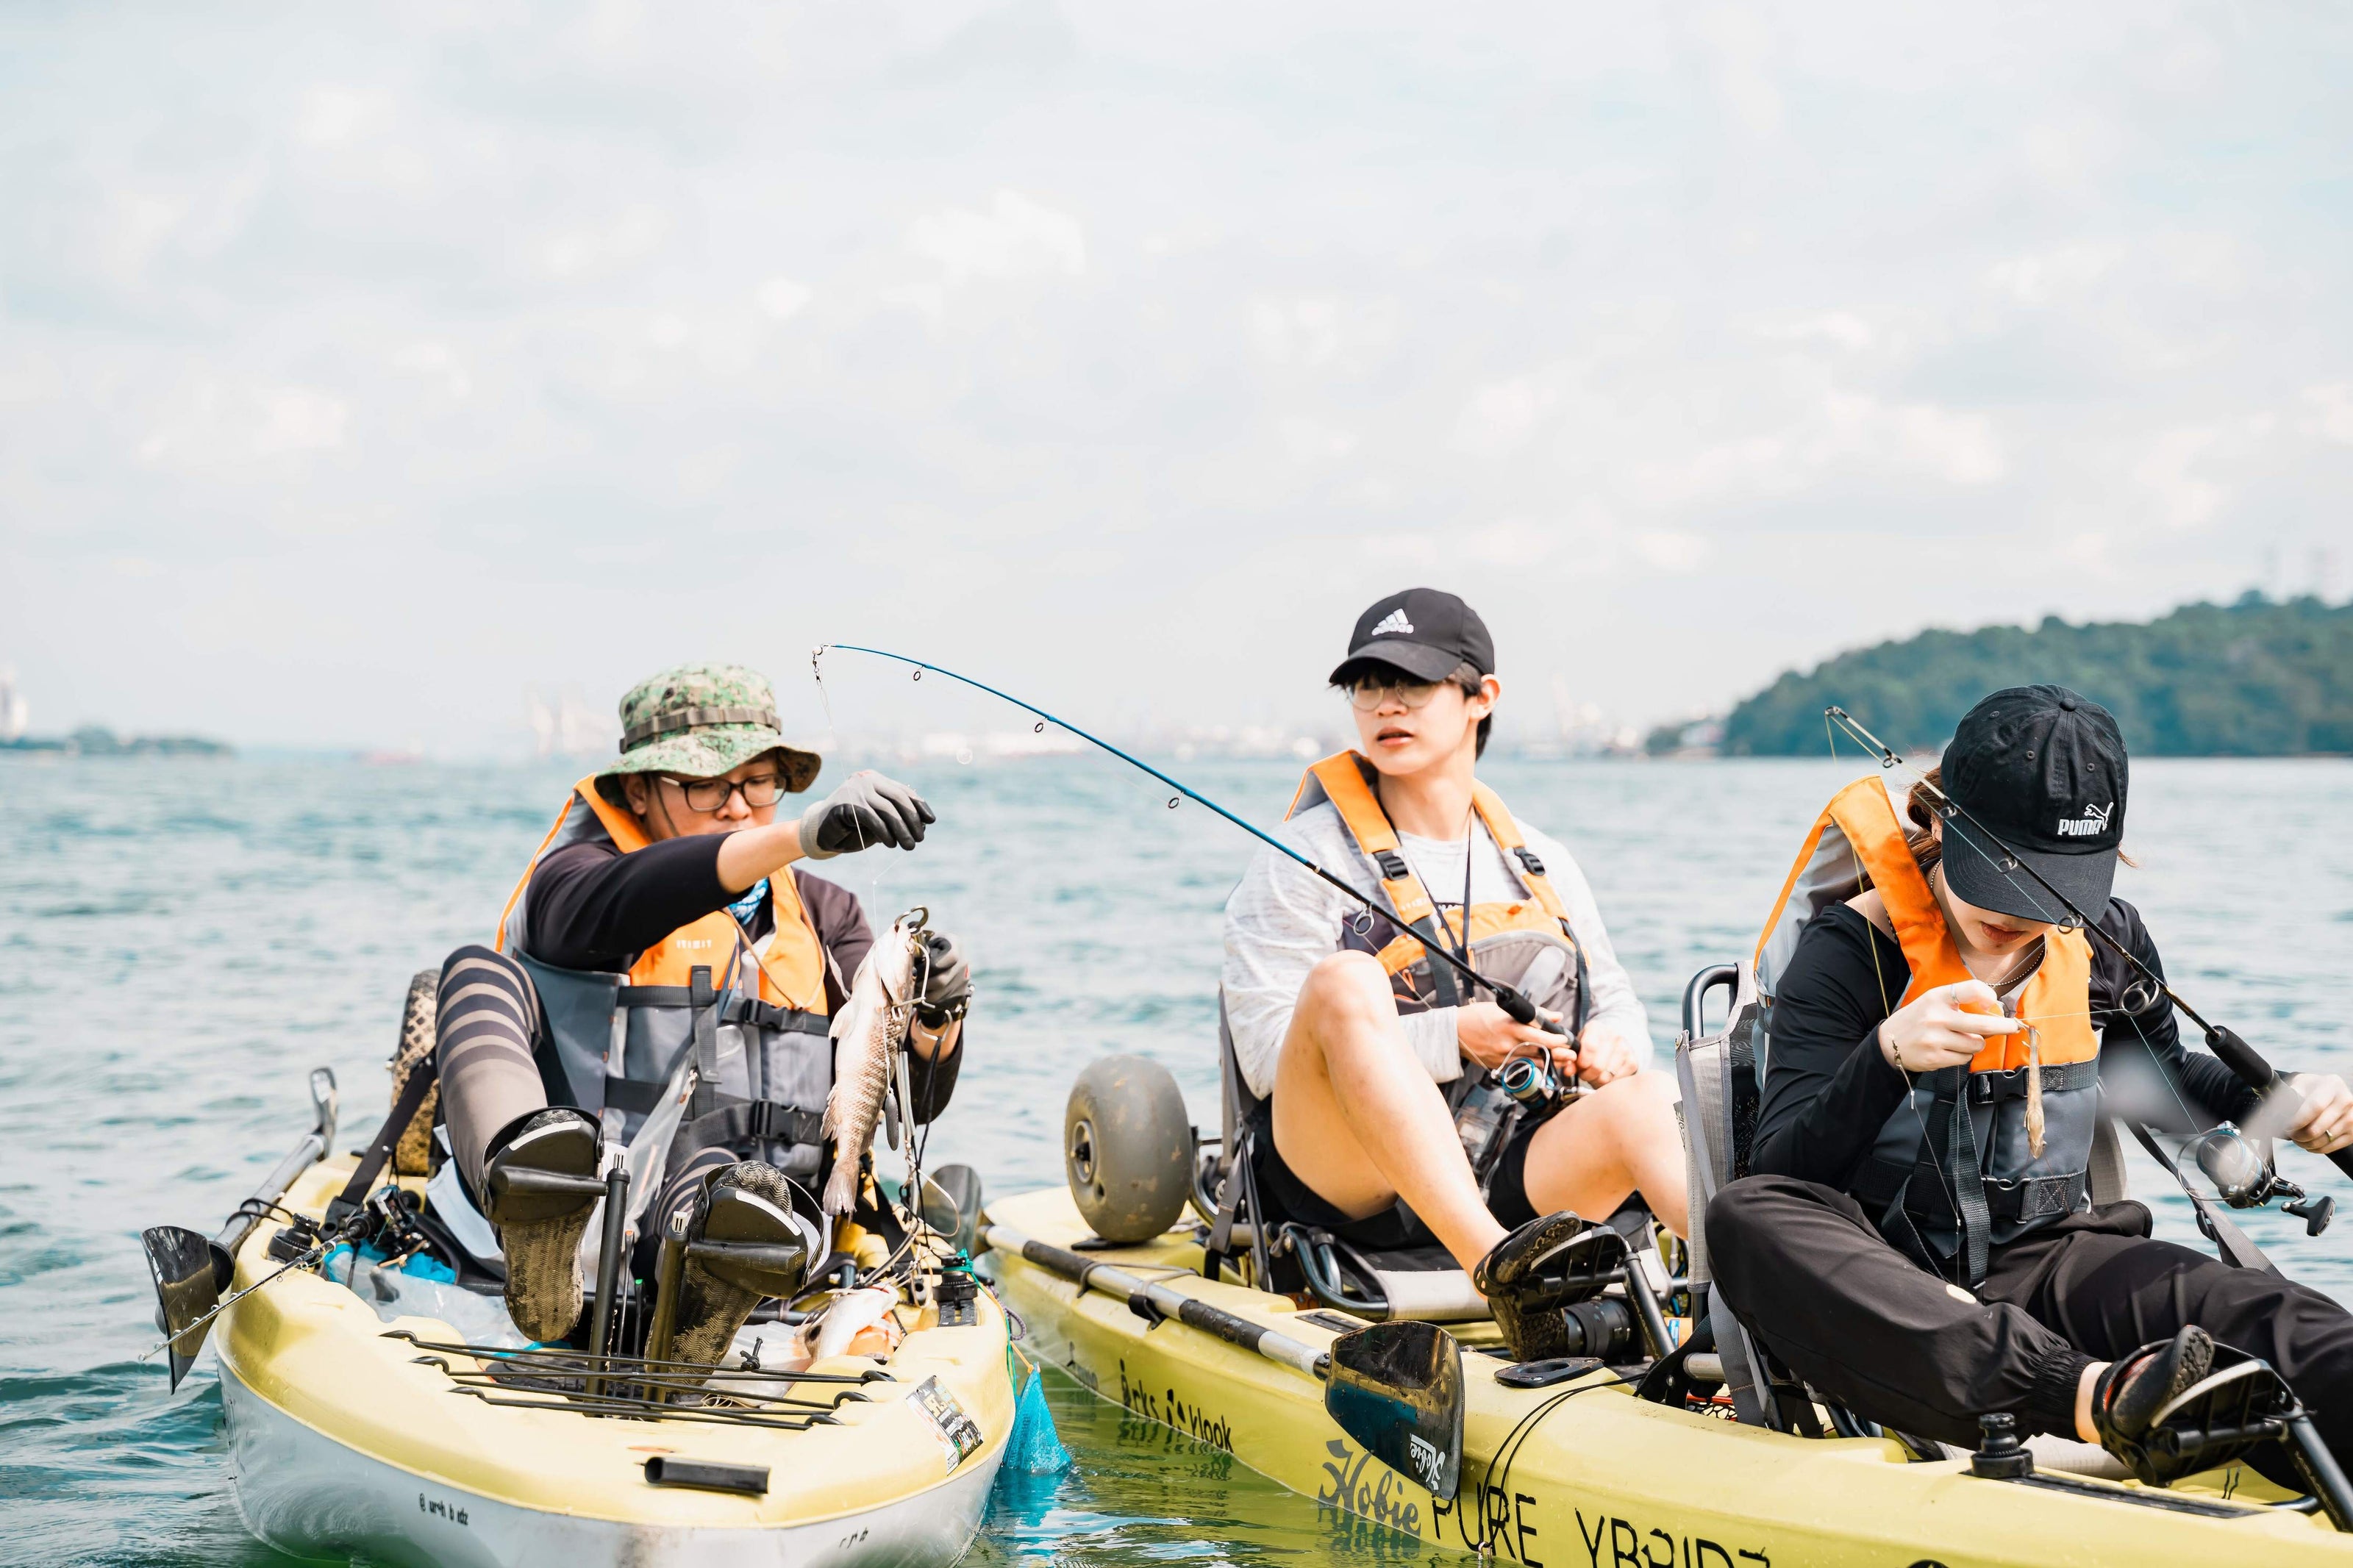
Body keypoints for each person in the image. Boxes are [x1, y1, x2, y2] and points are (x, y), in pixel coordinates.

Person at [1707, 684, 2353, 1481]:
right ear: (1939, 819)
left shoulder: (2106, 941)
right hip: (1882, 1282)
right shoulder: (1848, 950)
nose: (2019, 914)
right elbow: (1783, 1172)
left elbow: (2168, 1081)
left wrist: (2285, 1103)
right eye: (2005, 872)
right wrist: (1884, 1058)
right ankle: (2092, 1395)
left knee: (2270, 1319)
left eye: (2052, 882)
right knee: (1742, 1215)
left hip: (2053, 1258)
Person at [431, 662, 974, 1365]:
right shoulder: (575, 884)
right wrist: (802, 834)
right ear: (638, 790)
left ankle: (701, 1306)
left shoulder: (829, 915)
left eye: (759, 782)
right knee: (476, 970)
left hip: (739, 1233)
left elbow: (905, 1103)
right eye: (708, 784)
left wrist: (937, 1020)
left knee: (725, 1183)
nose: (739, 807)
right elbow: (641, 890)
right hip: (591, 1209)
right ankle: (537, 1225)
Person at [1221, 587, 1687, 1361]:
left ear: (1480, 698)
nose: (1385, 705)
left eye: (1413, 682)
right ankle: (1497, 1274)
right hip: (1348, 1182)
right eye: (1366, 685)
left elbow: (1617, 1004)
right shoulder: (1301, 856)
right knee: (1345, 980)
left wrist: (1611, 1042)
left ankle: (1758, 1318)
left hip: (1506, 1162)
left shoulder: (1543, 860)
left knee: (1646, 1100)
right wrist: (1453, 1037)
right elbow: (1268, 1061)